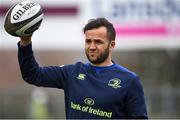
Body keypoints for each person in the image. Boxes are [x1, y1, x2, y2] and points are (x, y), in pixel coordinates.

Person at [18, 18, 148, 119]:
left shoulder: (129, 80)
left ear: (111, 45)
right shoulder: (72, 73)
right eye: (88, 41)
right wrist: (25, 42)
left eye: (98, 42)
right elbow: (32, 74)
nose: (91, 46)